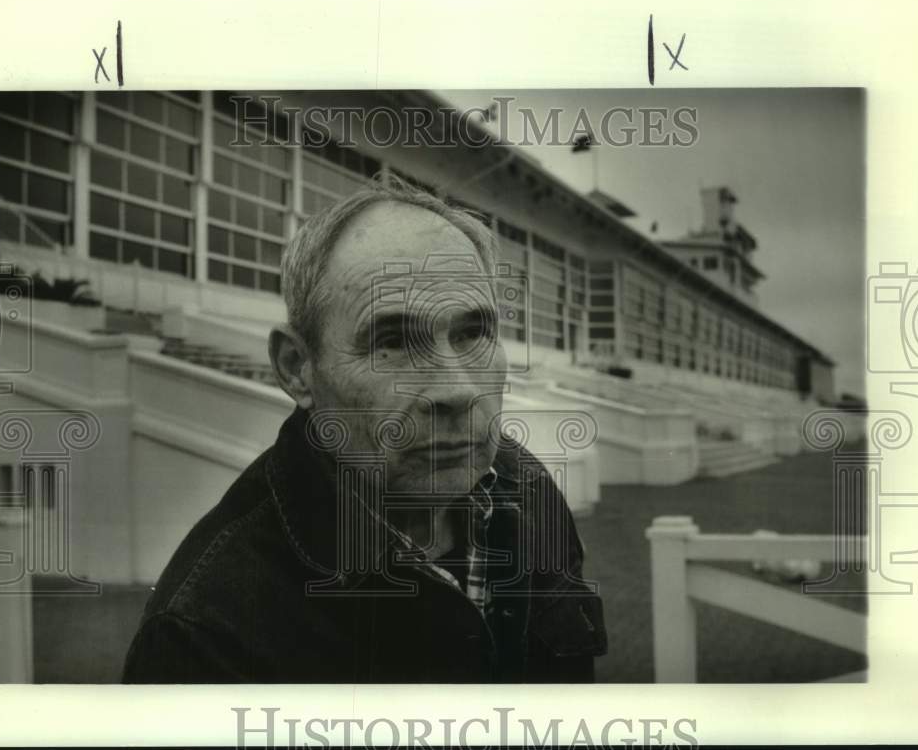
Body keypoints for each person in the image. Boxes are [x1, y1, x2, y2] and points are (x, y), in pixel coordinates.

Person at [122, 175, 606, 683]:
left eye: (472, 332)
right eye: (392, 341)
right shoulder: (205, 630)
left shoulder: (530, 491)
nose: (457, 390)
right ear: (296, 368)